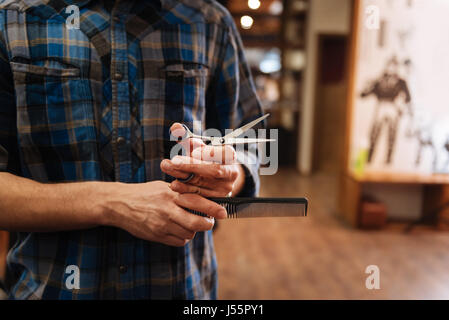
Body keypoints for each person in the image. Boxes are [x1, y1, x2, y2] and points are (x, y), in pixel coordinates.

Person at [0, 0, 263, 299]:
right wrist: (113, 204)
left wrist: (229, 173)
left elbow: (252, 142)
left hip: (185, 291)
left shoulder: (210, 21)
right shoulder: (12, 20)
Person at [360, 56, 412, 165]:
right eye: (390, 65)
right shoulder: (379, 80)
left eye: (394, 66)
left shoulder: (401, 82)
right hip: (381, 106)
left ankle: (388, 159)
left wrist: (402, 104)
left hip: (393, 107)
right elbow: (366, 93)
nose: (391, 68)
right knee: (374, 132)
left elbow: (408, 97)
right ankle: (369, 157)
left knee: (392, 134)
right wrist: (364, 89)